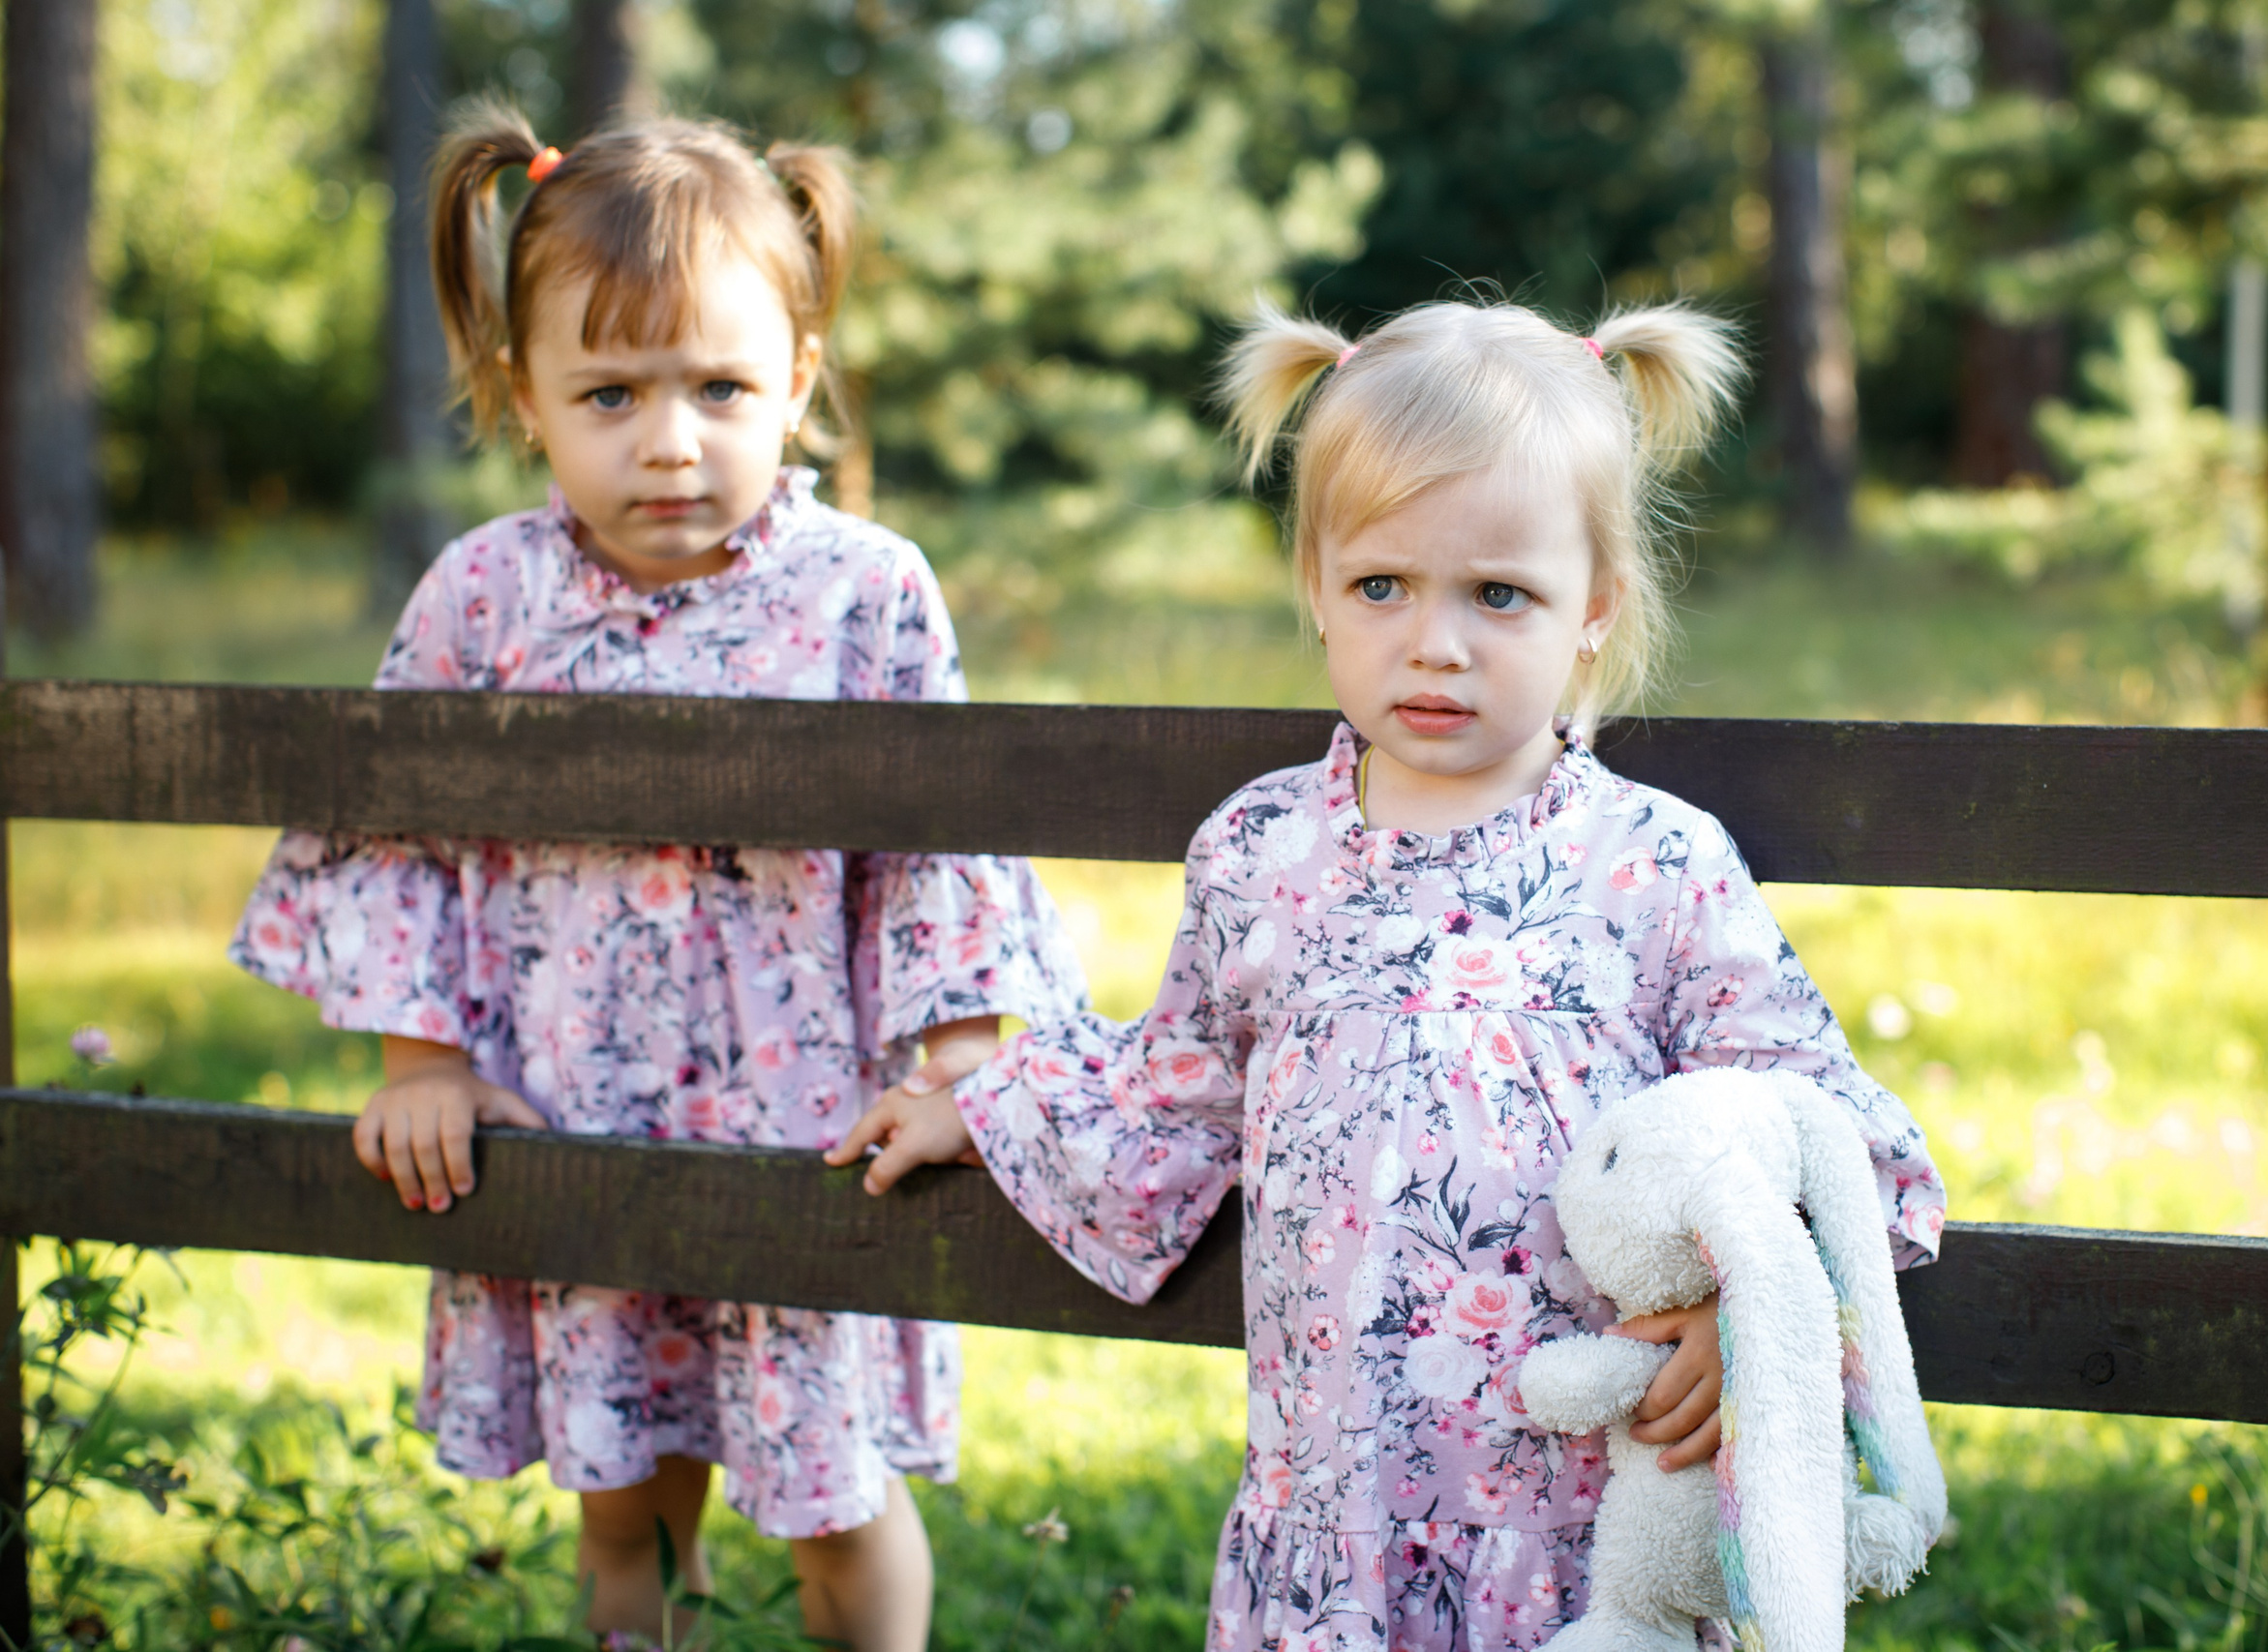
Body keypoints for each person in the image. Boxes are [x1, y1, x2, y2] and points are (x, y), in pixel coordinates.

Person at [832, 298, 1947, 1650]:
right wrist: (989, 1107)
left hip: (1576, 1513)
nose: (1435, 641)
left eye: (1499, 594)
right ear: (1315, 584)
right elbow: (1177, 1090)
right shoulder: (1259, 852)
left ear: (1594, 607)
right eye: (1382, 586)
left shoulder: (1652, 866)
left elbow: (1814, 1120)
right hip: (1337, 1509)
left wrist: (1761, 1305)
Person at [228, 102, 1085, 1651]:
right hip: (574, 1120)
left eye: (721, 388)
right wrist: (422, 1057)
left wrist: (961, 1064)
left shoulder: (862, 594)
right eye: (610, 391)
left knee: (834, 1498)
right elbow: (390, 832)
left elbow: (941, 845)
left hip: (803, 1137)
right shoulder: (485, 595)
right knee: (621, 1492)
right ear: (522, 396)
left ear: (799, 383)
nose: (671, 438)